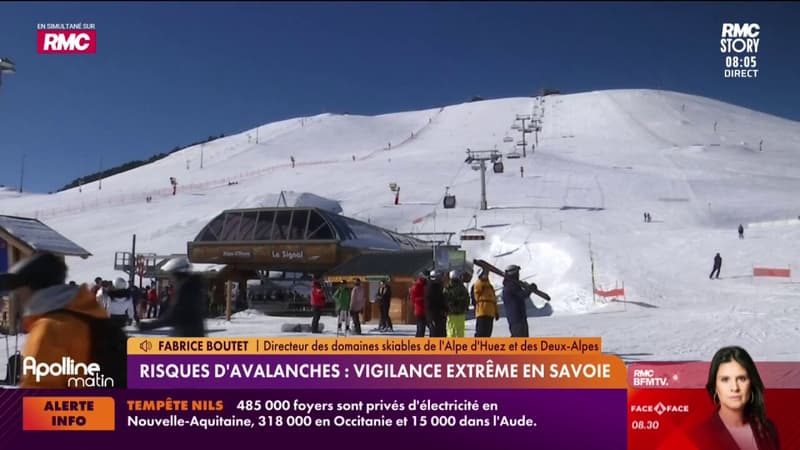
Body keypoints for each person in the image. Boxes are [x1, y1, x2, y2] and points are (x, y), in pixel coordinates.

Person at [1, 252, 109, 388]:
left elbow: (37, 397)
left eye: (19, 289)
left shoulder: (50, 328)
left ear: (33, 287)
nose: (17, 295)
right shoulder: (88, 315)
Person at [690, 346, 780, 450]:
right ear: (715, 387)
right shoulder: (699, 437)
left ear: (751, 383)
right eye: (725, 379)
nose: (734, 387)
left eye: (741, 378)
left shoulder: (768, 430)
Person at [137, 256, 206, 337]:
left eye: (172, 275)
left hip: (187, 336)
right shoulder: (194, 287)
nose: (171, 278)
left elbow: (173, 316)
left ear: (178, 274)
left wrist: (147, 326)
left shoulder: (185, 288)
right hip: (193, 333)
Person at [502, 264, 533, 337]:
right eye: (517, 273)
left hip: (518, 318)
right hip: (517, 318)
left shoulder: (512, 284)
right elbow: (523, 295)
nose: (519, 275)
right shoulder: (511, 285)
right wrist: (530, 289)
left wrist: (528, 289)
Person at [444, 270, 469, 337]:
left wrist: (445, 310)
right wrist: (466, 307)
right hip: (461, 312)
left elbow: (444, 299)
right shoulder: (462, 287)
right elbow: (467, 298)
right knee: (460, 331)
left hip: (451, 313)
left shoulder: (448, 287)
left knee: (451, 331)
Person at [473, 268, 498, 337]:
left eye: (486, 273)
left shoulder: (490, 286)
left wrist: (496, 312)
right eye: (484, 273)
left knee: (487, 334)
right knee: (480, 333)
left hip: (490, 313)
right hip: (482, 312)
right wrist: (482, 281)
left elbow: (494, 300)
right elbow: (476, 295)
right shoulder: (479, 284)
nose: (486, 275)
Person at [425, 270, 447, 337]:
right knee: (435, 334)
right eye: (439, 277)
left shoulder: (437, 287)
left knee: (441, 334)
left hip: (439, 316)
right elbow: (430, 304)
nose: (441, 279)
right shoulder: (432, 287)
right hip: (435, 316)